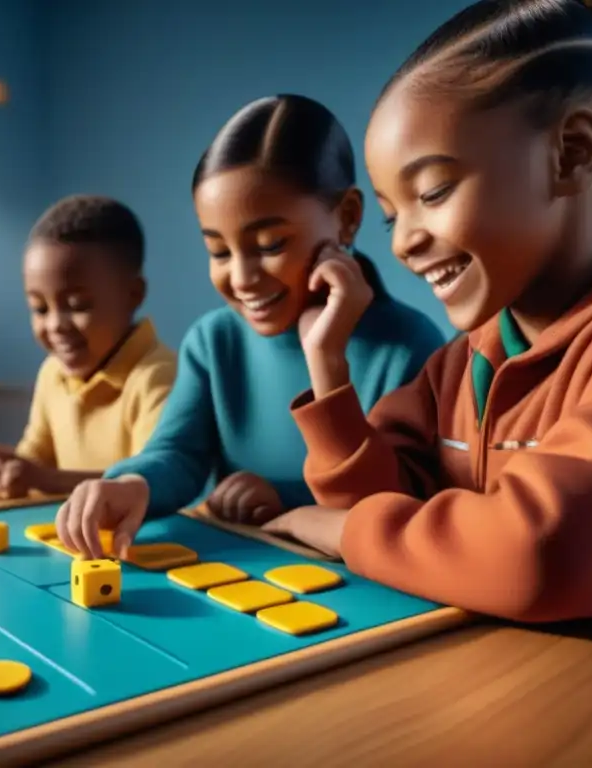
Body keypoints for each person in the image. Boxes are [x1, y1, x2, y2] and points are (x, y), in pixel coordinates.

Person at [265, 0, 592, 623]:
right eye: (394, 216)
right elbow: (378, 502)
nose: (401, 243)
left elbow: (541, 556)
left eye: (434, 192)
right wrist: (329, 370)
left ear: (573, 154)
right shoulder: (459, 366)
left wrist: (345, 535)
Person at [54, 94, 446, 559]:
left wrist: (325, 361)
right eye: (218, 252)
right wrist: (133, 484)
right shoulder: (213, 341)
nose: (241, 278)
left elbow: (396, 504)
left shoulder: (408, 348)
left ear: (346, 218)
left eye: (270, 244)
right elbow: (180, 453)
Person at [0, 195, 177, 496]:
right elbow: (37, 459)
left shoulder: (158, 377)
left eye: (77, 305)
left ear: (133, 294)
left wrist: (41, 478)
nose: (55, 326)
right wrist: (8, 468)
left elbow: (150, 481)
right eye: (39, 309)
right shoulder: (53, 373)